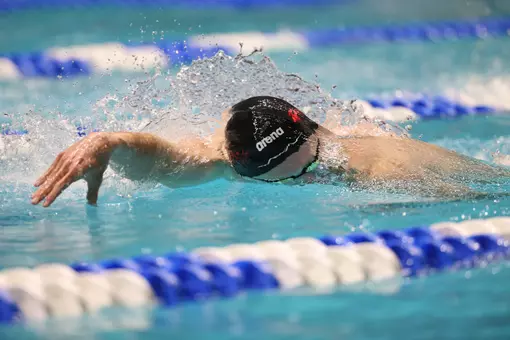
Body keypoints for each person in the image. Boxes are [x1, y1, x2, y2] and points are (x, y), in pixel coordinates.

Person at [31, 96, 509, 208]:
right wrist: (107, 142)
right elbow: (164, 159)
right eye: (283, 178)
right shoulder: (226, 160)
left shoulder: (377, 166)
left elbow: (487, 197)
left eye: (311, 165)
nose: (305, 177)